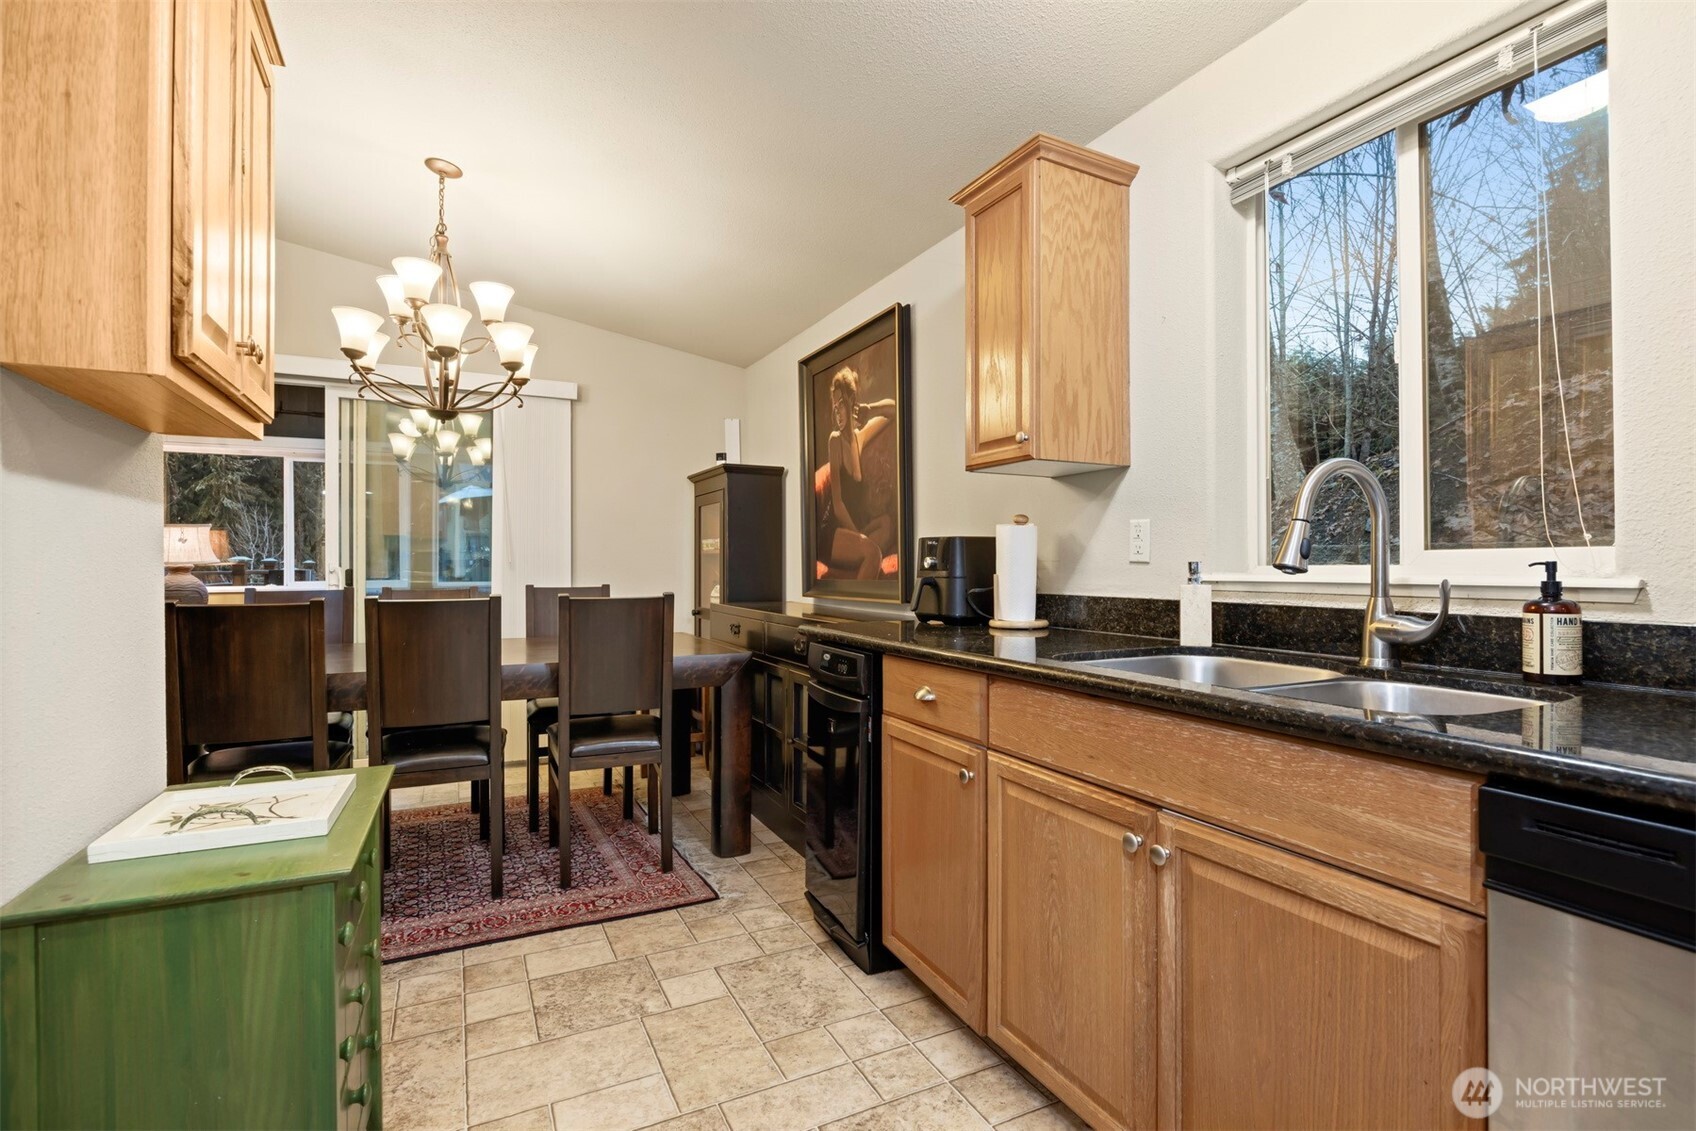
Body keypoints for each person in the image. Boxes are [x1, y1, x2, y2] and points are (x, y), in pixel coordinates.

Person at [819, 367, 896, 579]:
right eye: (835, 407)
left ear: (852, 402)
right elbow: (838, 505)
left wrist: (869, 409)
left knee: (887, 524)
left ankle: (860, 558)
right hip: (833, 533)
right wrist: (859, 536)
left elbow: (894, 409)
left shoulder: (859, 438)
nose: (837, 412)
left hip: (855, 528)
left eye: (841, 404)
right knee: (873, 553)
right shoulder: (835, 440)